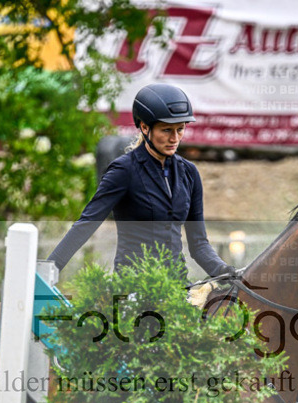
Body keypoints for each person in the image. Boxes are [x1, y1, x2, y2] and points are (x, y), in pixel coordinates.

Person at [48, 84, 235, 280]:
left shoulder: (190, 173)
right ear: (145, 127)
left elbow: (199, 244)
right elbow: (86, 224)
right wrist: (50, 270)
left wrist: (224, 271)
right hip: (133, 286)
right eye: (166, 130)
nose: (174, 138)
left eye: (180, 129)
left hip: (176, 286)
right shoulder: (123, 170)